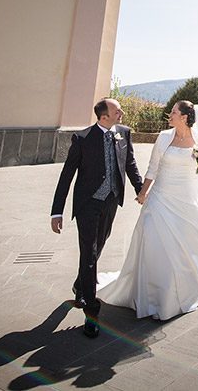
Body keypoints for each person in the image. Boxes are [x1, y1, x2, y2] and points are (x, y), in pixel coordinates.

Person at [98, 100, 198, 320]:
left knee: (184, 244)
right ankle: (150, 292)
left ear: (185, 117)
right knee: (152, 238)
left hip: (186, 199)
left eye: (174, 112)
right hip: (160, 197)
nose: (170, 115)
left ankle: (176, 291)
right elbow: (153, 167)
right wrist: (143, 192)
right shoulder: (164, 137)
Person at [50, 98, 143, 338]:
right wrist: (57, 211)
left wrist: (140, 189)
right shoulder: (82, 139)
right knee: (89, 253)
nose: (121, 112)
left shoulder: (124, 133)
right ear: (104, 116)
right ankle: (91, 312)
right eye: (117, 110)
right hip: (88, 204)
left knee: (99, 246)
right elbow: (67, 175)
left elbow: (129, 163)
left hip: (111, 201)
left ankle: (81, 283)